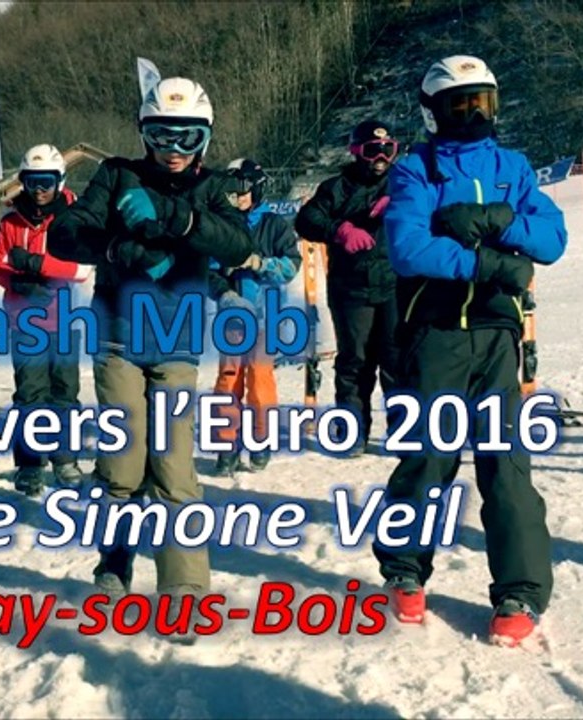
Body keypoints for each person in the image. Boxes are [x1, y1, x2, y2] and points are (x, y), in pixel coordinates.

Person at [375, 55, 566, 647]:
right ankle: (404, 567)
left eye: (481, 102)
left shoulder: (513, 167)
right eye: (459, 105)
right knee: (431, 455)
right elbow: (409, 247)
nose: (472, 114)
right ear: (432, 113)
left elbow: (552, 239)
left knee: (505, 463)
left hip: (497, 337)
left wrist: (498, 220)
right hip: (436, 333)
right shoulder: (415, 170)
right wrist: (486, 263)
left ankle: (521, 588)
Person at [47, 77, 253, 610]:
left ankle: (184, 587)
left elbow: (237, 242)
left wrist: (181, 220)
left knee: (175, 467)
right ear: (145, 135)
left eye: (188, 138)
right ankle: (115, 555)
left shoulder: (211, 189)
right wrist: (116, 248)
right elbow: (65, 233)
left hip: (177, 345)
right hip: (117, 337)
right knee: (123, 465)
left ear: (205, 140)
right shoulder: (117, 175)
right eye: (163, 137)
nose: (175, 151)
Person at [294, 120, 401, 455]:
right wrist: (339, 229)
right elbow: (306, 220)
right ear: (357, 152)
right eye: (372, 150)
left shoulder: (402, 183)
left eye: (388, 149)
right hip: (351, 289)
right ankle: (352, 430)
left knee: (398, 361)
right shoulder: (336, 188)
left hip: (396, 286)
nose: (380, 157)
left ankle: (404, 432)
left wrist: (401, 205)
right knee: (356, 360)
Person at [0, 144, 91, 495]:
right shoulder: (11, 221)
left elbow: (81, 269)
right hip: (25, 323)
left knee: (65, 393)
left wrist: (35, 265)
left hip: (64, 321)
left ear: (59, 180)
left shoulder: (74, 217)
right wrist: (15, 281)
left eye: (47, 181)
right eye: (33, 181)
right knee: (30, 395)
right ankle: (30, 465)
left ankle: (65, 458)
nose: (40, 189)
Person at [208, 158, 300, 474]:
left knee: (260, 381)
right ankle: (226, 446)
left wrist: (259, 264)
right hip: (233, 319)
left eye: (243, 189)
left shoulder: (275, 225)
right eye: (231, 190)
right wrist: (225, 293)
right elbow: (208, 269)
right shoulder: (221, 225)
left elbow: (291, 266)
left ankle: (260, 438)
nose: (237, 196)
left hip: (263, 318)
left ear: (257, 188)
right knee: (228, 380)